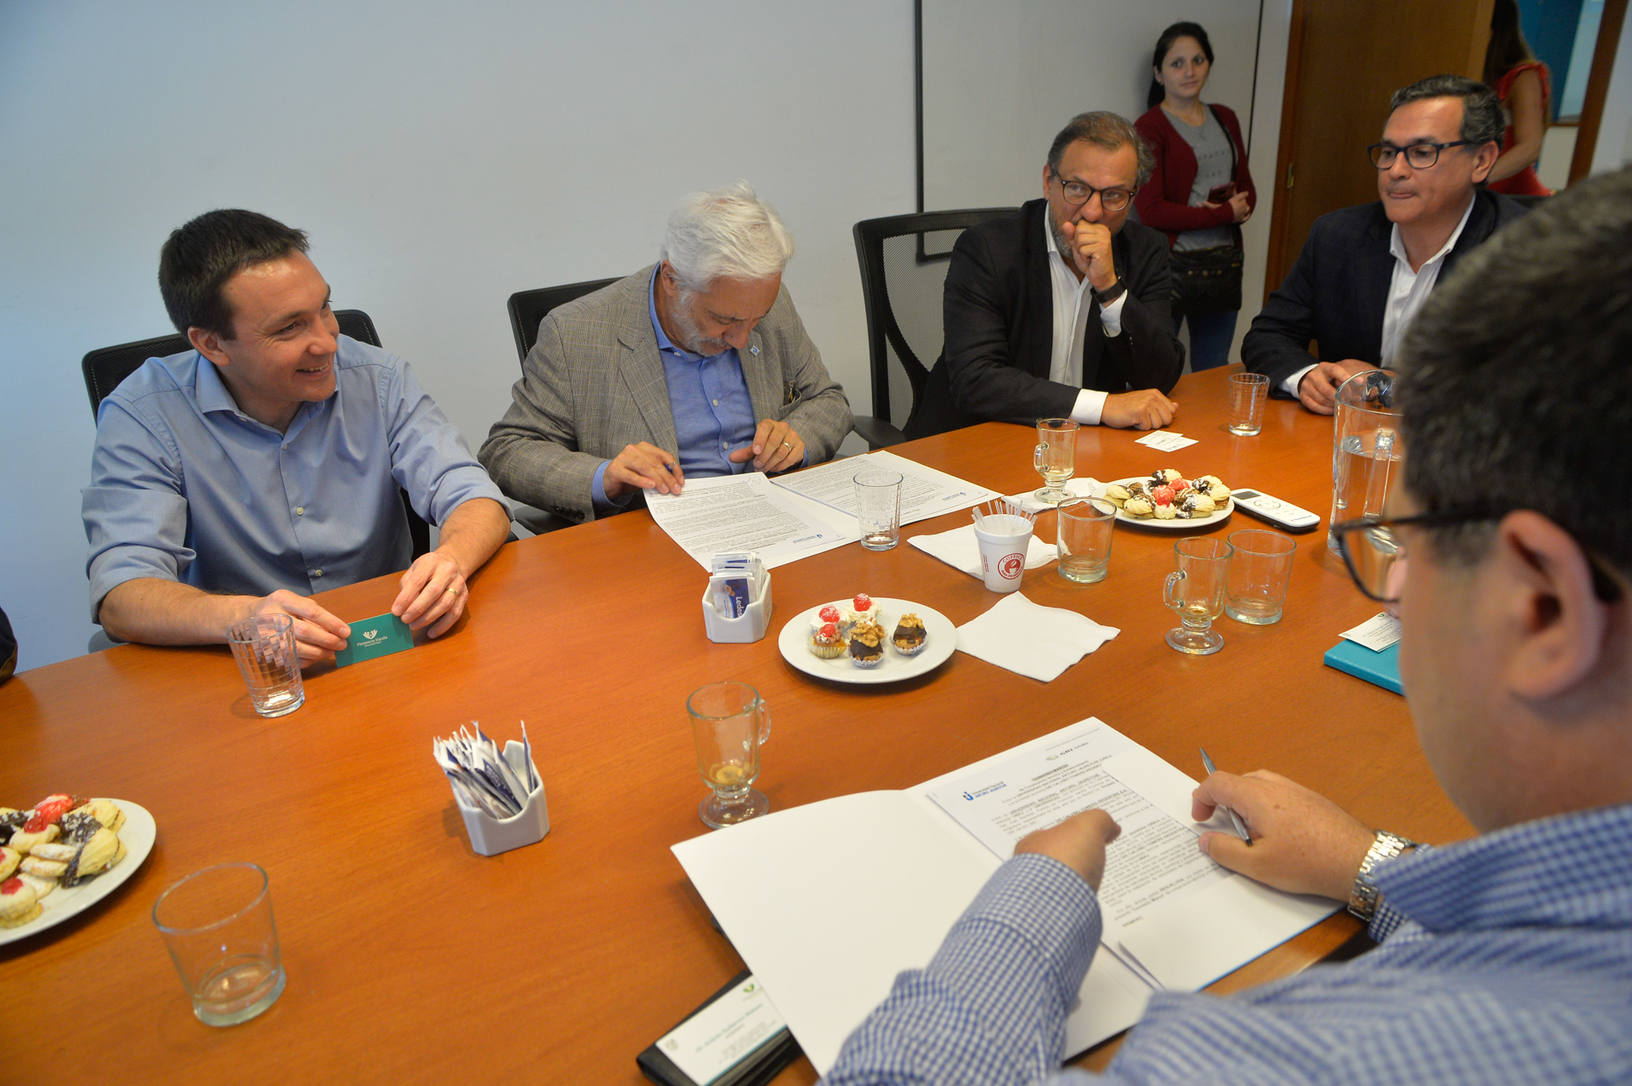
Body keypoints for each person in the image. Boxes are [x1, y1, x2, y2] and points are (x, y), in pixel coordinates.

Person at [825, 165, 1632, 1084]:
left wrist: (1033, 901)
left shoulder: (1303, 1058)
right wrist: (1370, 868)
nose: (1395, 589)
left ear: (1545, 608)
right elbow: (1534, 919)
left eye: (1404, 539)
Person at [83, 210, 511, 665]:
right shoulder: (144, 414)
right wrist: (242, 617)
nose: (328, 342)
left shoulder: (378, 378)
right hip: (251, 669)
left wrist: (452, 559)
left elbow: (471, 494)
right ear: (211, 345)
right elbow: (122, 593)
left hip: (388, 643)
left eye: (324, 308)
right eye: (289, 328)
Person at [479, 181, 852, 524]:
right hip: (655, 536)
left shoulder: (762, 304)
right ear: (673, 280)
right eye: (724, 319)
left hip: (773, 517)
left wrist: (795, 440)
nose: (742, 339)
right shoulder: (576, 333)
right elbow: (507, 452)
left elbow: (828, 400)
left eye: (757, 319)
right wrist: (604, 477)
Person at [1242, 75, 1526, 414]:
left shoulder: (1529, 252)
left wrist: (1392, 388)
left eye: (1422, 153)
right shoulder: (1338, 235)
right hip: (1342, 447)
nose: (1395, 170)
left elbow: (1533, 387)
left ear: (1481, 161)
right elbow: (1269, 335)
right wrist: (1307, 378)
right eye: (1389, 152)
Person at [903, 112, 1185, 439]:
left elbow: (1161, 376)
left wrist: (1110, 289)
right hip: (979, 442)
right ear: (1048, 181)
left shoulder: (1144, 250)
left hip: (1085, 451)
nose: (1093, 212)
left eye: (1114, 196)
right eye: (1077, 189)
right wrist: (1103, 406)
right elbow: (977, 380)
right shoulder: (987, 250)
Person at [1135, 21, 1257, 371]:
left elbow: (1245, 186)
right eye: (1177, 63)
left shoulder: (1226, 117)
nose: (1189, 71)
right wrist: (1221, 214)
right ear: (1159, 74)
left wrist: (1241, 208)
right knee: (1158, 365)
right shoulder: (1149, 127)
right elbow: (1151, 211)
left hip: (1223, 262)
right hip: (1171, 266)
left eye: (1198, 60)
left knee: (1213, 366)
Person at [1484, 0, 1553, 196]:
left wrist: (1476, 180)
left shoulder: (1523, 77)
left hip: (1514, 197)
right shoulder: (1477, 72)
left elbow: (1530, 147)